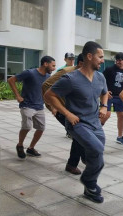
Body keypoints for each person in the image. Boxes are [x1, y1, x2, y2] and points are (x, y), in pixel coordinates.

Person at [45, 41, 108, 203]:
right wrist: (67, 113)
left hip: (95, 122)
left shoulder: (100, 77)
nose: (102, 60)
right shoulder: (71, 79)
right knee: (97, 149)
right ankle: (89, 181)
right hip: (77, 123)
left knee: (97, 156)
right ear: (89, 56)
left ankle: (89, 189)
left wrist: (104, 106)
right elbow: (49, 95)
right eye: (100, 57)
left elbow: (105, 93)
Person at [42, 54, 86, 175]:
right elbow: (46, 85)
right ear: (81, 63)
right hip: (62, 110)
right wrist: (52, 106)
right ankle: (75, 163)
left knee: (80, 134)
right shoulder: (66, 72)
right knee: (79, 134)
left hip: (75, 110)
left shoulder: (86, 75)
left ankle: (76, 162)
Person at [8, 56, 55, 159]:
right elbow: (11, 80)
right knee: (27, 127)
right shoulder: (30, 73)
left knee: (41, 128)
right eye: (53, 65)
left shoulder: (48, 77)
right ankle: (20, 145)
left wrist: (52, 107)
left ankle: (31, 148)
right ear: (45, 64)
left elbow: (48, 93)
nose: (54, 68)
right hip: (27, 105)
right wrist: (17, 95)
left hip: (39, 106)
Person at [102, 52, 123, 145]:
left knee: (121, 116)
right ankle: (95, 130)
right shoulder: (109, 69)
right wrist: (105, 92)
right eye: (118, 60)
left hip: (119, 97)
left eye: (121, 60)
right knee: (106, 115)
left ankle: (120, 137)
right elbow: (102, 80)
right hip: (108, 95)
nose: (120, 62)